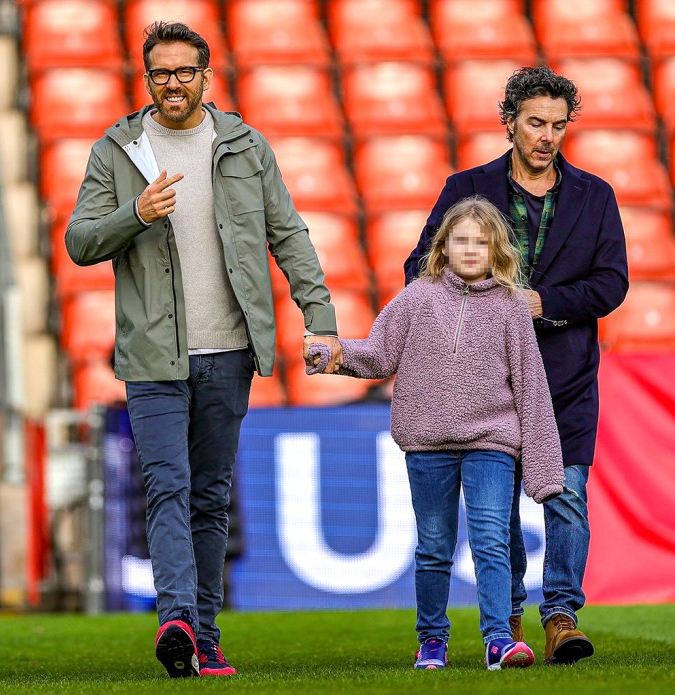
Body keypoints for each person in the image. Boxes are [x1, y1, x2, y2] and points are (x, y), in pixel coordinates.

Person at [66, 21, 342, 678]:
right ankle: (178, 621)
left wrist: (320, 316)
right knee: (168, 485)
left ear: (205, 76)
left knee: (210, 495)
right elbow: (79, 242)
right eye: (161, 73)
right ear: (147, 78)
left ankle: (206, 638)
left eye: (185, 71)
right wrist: (135, 212)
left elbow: (290, 236)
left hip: (229, 351)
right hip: (152, 354)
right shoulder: (118, 149)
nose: (173, 84)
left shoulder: (245, 146)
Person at [404, 66, 629, 665]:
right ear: (510, 122)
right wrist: (478, 295)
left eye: (558, 125)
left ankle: (561, 616)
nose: (547, 136)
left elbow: (613, 284)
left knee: (567, 497)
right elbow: (417, 268)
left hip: (566, 377)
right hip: (488, 384)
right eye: (535, 123)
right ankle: (505, 620)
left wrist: (543, 303)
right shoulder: (466, 186)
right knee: (495, 510)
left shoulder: (596, 196)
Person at [308, 195, 564, 670]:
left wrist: (544, 469)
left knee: (489, 540)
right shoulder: (416, 297)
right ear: (443, 247)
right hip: (427, 444)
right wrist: (336, 354)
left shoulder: (511, 306)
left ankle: (498, 640)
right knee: (433, 546)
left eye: (480, 243)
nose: (470, 250)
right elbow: (381, 355)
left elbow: (532, 386)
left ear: (496, 251)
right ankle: (431, 640)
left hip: (492, 442)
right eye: (461, 241)